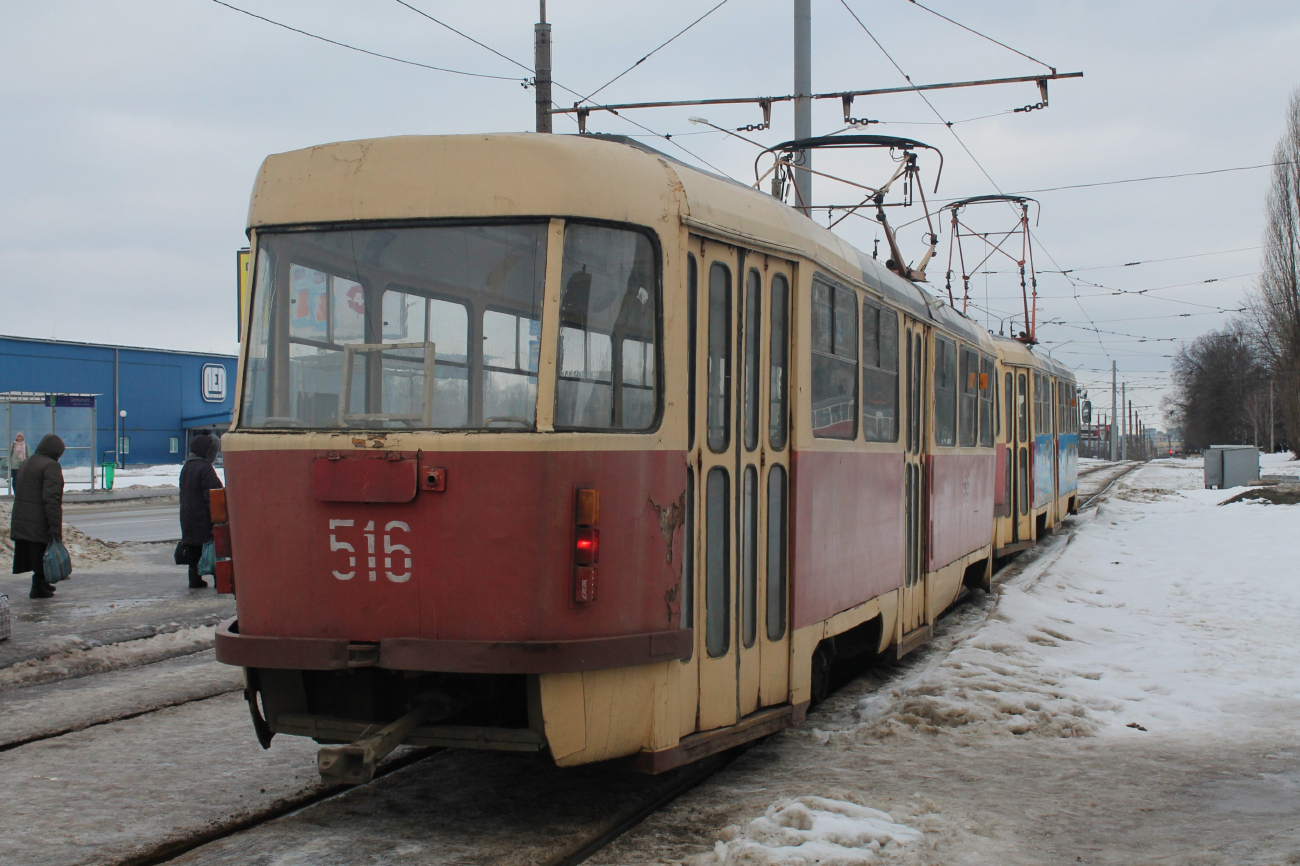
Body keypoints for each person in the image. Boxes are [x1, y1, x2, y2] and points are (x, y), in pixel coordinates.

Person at [10, 434, 65, 599]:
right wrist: (55, 526)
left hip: (23, 517)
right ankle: (38, 587)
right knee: (44, 553)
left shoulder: (29, 461)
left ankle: (42, 585)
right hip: (38, 519)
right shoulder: (51, 466)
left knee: (37, 553)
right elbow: (52, 499)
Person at [178, 433, 223, 589]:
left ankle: (194, 579)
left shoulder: (187, 467)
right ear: (208, 452)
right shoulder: (205, 468)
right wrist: (219, 516)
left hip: (188, 515)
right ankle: (221, 580)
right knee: (215, 547)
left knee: (193, 547)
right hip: (203, 515)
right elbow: (213, 493)